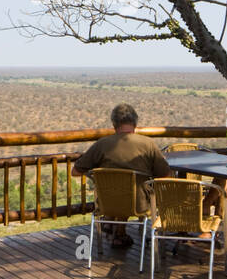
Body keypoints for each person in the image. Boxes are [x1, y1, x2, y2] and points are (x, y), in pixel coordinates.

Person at [71, 104, 170, 247]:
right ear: (135, 123)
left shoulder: (102, 144)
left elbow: (75, 172)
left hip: (107, 204)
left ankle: (115, 227)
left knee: (120, 191)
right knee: (131, 191)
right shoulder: (148, 144)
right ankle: (119, 233)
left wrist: (97, 175)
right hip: (139, 204)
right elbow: (165, 174)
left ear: (114, 123)